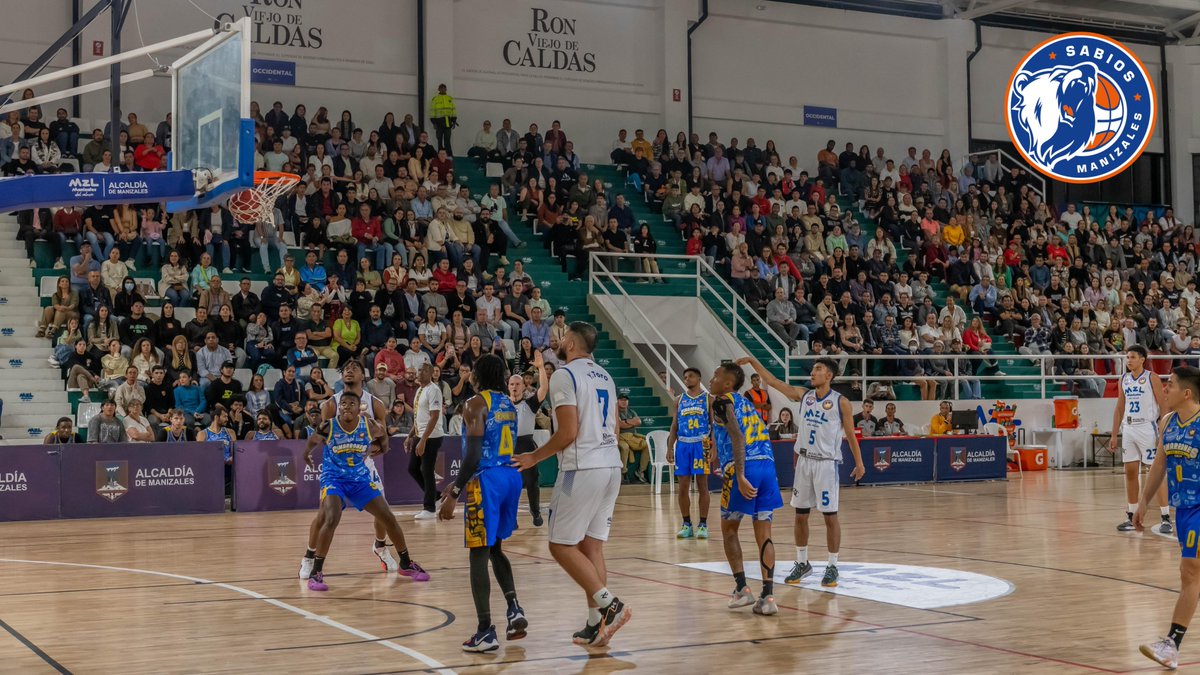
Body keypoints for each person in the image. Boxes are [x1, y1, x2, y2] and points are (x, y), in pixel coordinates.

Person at [510, 321, 631, 647]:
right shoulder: (604, 374)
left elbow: (567, 433)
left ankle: (611, 606)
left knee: (560, 545)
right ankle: (596, 623)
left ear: (573, 345)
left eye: (562, 337)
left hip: (583, 468)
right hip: (610, 466)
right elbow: (615, 426)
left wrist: (534, 457)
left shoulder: (566, 374)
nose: (557, 340)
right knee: (592, 548)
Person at [741, 355, 865, 589]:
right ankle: (802, 562)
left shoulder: (841, 402)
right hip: (804, 462)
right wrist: (752, 361)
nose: (813, 372)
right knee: (800, 515)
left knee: (830, 516)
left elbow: (850, 435)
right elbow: (774, 381)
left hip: (826, 464)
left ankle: (832, 565)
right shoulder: (804, 395)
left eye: (817, 369)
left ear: (828, 375)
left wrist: (859, 463)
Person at [437, 354, 529, 652]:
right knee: (495, 548)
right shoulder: (507, 404)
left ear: (476, 375)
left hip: (487, 481)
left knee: (478, 552)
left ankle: (484, 630)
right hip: (510, 478)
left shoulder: (476, 403)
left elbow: (475, 455)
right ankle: (514, 607)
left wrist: (454, 494)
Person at [302, 391, 430, 592]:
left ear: (358, 407)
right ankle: (316, 572)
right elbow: (310, 443)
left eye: (351, 403)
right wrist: (307, 455)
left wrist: (380, 448)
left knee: (388, 517)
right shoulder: (329, 425)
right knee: (331, 517)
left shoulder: (369, 425)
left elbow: (384, 438)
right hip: (334, 478)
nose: (346, 406)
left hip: (360, 478)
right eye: (343, 403)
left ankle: (405, 563)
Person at [1136, 367, 1200, 669]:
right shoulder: (1168, 422)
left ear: (1186, 393)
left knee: (1190, 571)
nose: (1165, 389)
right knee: (1190, 574)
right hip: (1183, 510)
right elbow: (1159, 464)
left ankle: (1171, 645)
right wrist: (1142, 502)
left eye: (1170, 385)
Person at [708, 361, 783, 616]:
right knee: (764, 531)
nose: (711, 379)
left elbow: (738, 437)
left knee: (729, 530)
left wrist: (739, 474)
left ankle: (742, 588)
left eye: (716, 375)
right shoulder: (745, 402)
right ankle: (769, 596)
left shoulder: (721, 401)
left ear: (727, 384)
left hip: (744, 467)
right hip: (767, 467)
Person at [1112, 345, 1172, 533]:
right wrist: (1114, 434)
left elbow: (1163, 404)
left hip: (1147, 427)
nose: (1128, 360)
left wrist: (1162, 430)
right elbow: (1120, 407)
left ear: (1142, 359)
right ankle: (1130, 515)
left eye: (1132, 357)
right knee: (1130, 472)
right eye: (1127, 357)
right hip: (1129, 428)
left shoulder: (1151, 377)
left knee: (1155, 473)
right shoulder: (1124, 378)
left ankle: (1165, 517)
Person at [666, 367, 712, 539]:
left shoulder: (708, 399)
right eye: (685, 377)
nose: (687, 379)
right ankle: (686, 524)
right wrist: (670, 447)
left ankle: (703, 524)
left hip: (701, 444)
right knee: (683, 486)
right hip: (683, 445)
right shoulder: (679, 400)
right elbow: (674, 425)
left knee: (702, 486)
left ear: (699, 377)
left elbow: (714, 426)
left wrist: (713, 447)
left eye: (691, 376)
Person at [509, 351, 549, 526]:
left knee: (532, 482)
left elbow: (544, 390)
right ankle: (512, 517)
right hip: (508, 446)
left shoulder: (529, 404)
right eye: (512, 384)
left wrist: (540, 368)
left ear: (523, 386)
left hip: (526, 444)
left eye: (518, 383)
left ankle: (535, 512)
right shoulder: (503, 404)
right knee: (510, 485)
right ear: (508, 386)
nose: (515, 386)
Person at [407, 362, 445, 520]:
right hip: (420, 434)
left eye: (422, 370)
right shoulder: (419, 390)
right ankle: (436, 496)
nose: (419, 372)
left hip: (431, 436)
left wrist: (423, 440)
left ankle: (429, 509)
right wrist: (411, 435)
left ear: (430, 373)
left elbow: (434, 416)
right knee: (413, 468)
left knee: (427, 470)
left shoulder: (434, 390)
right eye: (419, 370)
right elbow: (418, 416)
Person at [197, 404, 234, 492]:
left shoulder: (230, 432)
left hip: (228, 467)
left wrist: (231, 459)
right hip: (210, 468)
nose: (227, 419)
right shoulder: (202, 434)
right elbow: (199, 455)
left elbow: (234, 451)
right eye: (224, 416)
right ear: (216, 417)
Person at [617, 394, 650, 483]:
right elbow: (620, 425)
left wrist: (626, 422)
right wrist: (631, 422)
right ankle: (623, 473)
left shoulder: (631, 411)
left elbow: (638, 422)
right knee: (624, 447)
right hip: (620, 437)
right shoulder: (615, 411)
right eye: (621, 400)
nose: (624, 402)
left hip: (632, 437)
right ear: (617, 401)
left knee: (647, 445)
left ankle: (640, 471)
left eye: (626, 400)